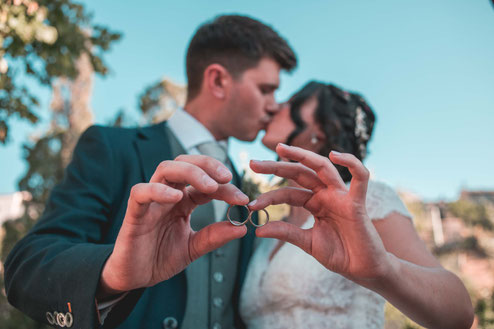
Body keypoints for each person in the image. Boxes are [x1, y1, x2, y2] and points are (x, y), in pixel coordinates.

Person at [4, 15, 297, 329]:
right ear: (218, 81)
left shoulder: (240, 183)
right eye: (266, 89)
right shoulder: (112, 148)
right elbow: (27, 267)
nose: (273, 106)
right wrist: (112, 274)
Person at [240, 82, 474, 329]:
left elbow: (459, 314)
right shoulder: (268, 231)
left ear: (320, 130)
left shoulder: (366, 203)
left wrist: (384, 270)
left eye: (291, 103)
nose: (275, 106)